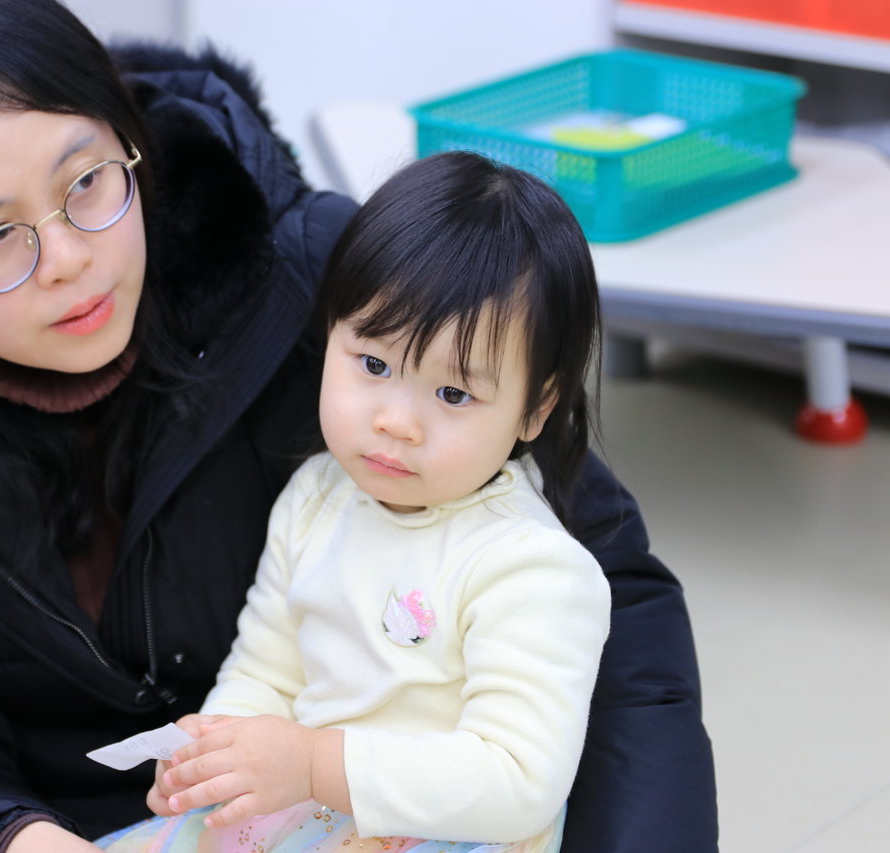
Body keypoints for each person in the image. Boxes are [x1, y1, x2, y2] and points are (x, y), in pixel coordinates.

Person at [0, 1, 717, 851]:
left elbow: (613, 597)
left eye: (88, 182)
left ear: (130, 139)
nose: (69, 257)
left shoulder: (323, 286)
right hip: (70, 814)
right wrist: (14, 839)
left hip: (364, 797)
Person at [96, 151, 611, 853]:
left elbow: (519, 780)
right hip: (300, 809)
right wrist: (216, 753)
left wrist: (315, 763)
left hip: (446, 832)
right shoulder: (316, 497)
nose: (396, 421)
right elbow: (267, 669)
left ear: (534, 409)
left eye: (453, 393)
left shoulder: (531, 566)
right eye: (373, 364)